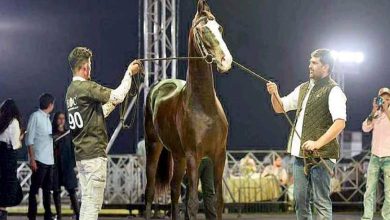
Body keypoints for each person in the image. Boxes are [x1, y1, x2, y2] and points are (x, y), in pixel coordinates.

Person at [266, 49, 347, 220]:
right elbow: (280, 107)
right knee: (300, 200)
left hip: (322, 156)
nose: (309, 65)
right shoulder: (303, 88)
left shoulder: (334, 90)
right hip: (299, 155)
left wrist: (318, 143)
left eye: (314, 62)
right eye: (310, 61)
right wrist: (275, 94)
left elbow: (340, 122)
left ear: (325, 66)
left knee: (321, 201)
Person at [65, 47, 142, 220]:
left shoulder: (70, 91)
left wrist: (111, 105)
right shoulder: (87, 87)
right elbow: (118, 95)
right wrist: (129, 73)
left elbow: (94, 114)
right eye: (90, 65)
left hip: (82, 156)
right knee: (92, 206)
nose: (90, 69)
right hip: (94, 156)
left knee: (86, 201)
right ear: (85, 67)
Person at [361, 87, 390, 220]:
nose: (384, 101)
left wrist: (386, 109)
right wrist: (373, 109)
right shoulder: (376, 114)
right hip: (375, 156)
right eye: (382, 99)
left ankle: (387, 216)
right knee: (369, 191)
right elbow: (365, 128)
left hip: (389, 157)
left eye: (387, 99)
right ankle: (367, 217)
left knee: (389, 192)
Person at [26, 93, 55, 220]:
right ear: (50, 105)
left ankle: (48, 215)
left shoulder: (48, 118)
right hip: (39, 159)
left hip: (49, 160)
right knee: (34, 190)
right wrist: (32, 160)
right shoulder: (35, 116)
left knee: (47, 190)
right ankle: (32, 215)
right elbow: (29, 139)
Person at [52, 112, 79, 220]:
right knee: (56, 191)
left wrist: (74, 164)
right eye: (59, 118)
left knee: (72, 190)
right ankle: (59, 215)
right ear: (56, 120)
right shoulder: (51, 134)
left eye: (63, 118)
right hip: (56, 166)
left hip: (67, 166)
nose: (62, 120)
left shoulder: (69, 134)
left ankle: (78, 214)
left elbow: (74, 150)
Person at [0, 99, 24, 220]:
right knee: (7, 186)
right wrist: (20, 138)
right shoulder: (13, 122)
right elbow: (15, 144)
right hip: (8, 156)